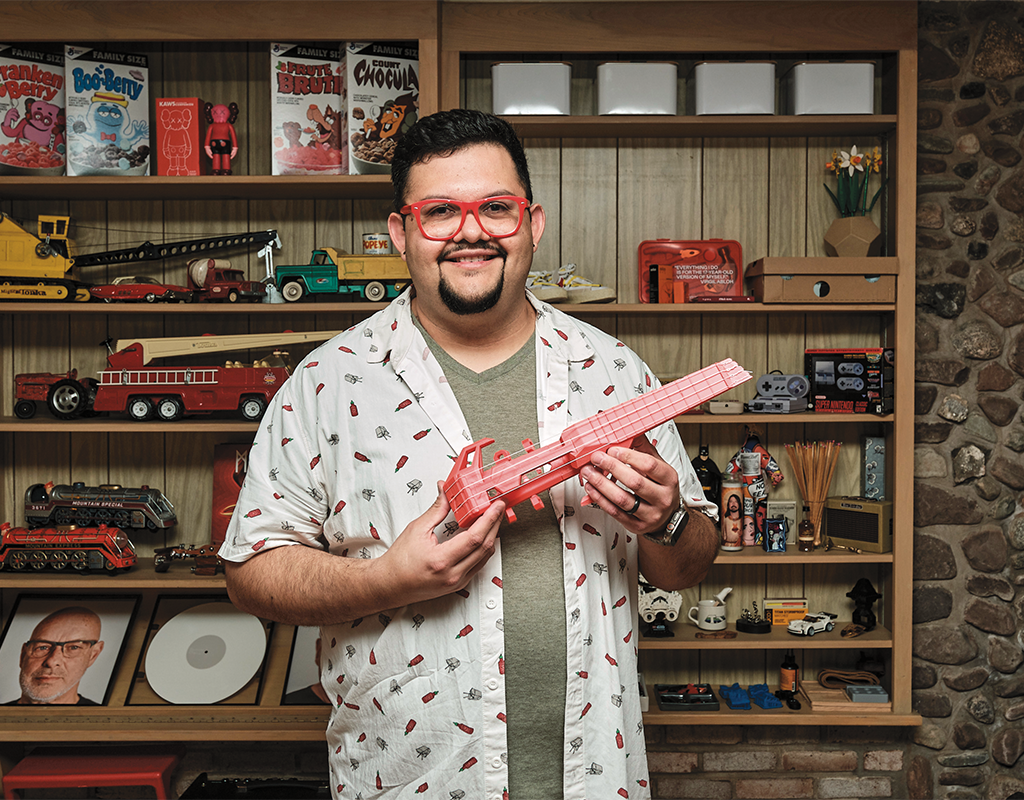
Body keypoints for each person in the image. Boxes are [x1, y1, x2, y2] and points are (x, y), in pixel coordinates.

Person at [222, 108, 719, 800]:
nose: (471, 232)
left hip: (596, 778)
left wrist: (666, 521)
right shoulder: (327, 383)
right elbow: (250, 572)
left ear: (532, 223)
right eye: (440, 212)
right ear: (401, 233)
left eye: (495, 208)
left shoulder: (613, 372)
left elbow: (689, 563)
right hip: (406, 780)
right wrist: (388, 579)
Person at [7, 606, 104, 705]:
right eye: (42, 647)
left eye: (73, 647)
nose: (51, 662)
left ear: (93, 655)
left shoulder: (105, 719)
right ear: (23, 656)